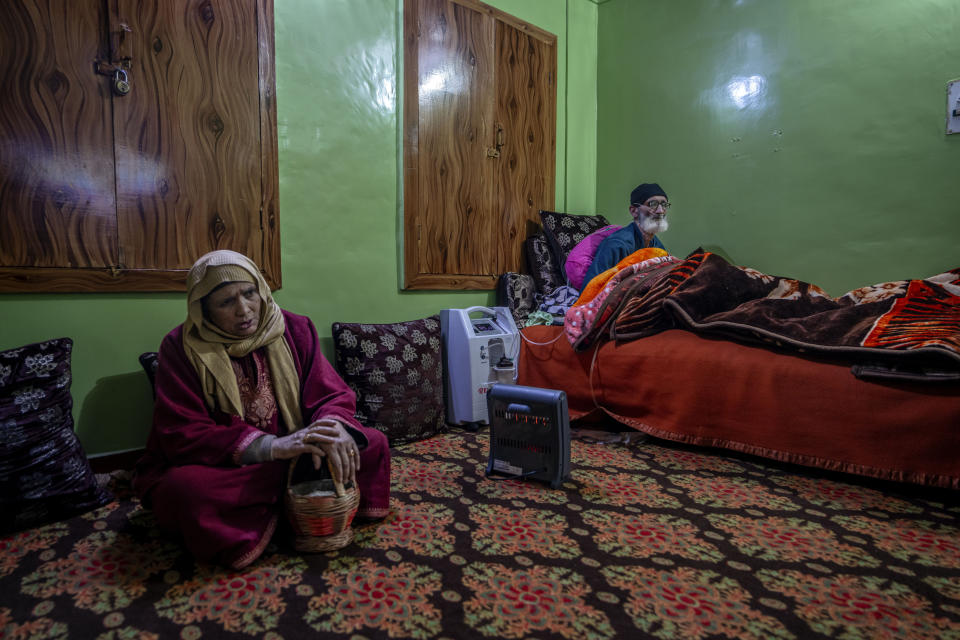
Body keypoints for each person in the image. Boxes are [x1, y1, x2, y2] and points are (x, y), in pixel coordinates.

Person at [132, 250, 390, 569]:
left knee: (372, 441)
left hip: (302, 449)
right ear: (204, 309)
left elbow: (329, 393)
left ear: (261, 290)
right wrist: (272, 447)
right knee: (186, 491)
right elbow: (182, 433)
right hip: (236, 467)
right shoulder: (180, 348)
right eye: (226, 302)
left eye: (249, 293)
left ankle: (279, 507)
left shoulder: (295, 328)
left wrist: (332, 427)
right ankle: (303, 501)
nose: (244, 310)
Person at [580, 182, 671, 290]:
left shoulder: (656, 245)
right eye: (653, 204)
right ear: (634, 211)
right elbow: (590, 288)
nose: (660, 211)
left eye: (664, 204)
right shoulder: (617, 244)